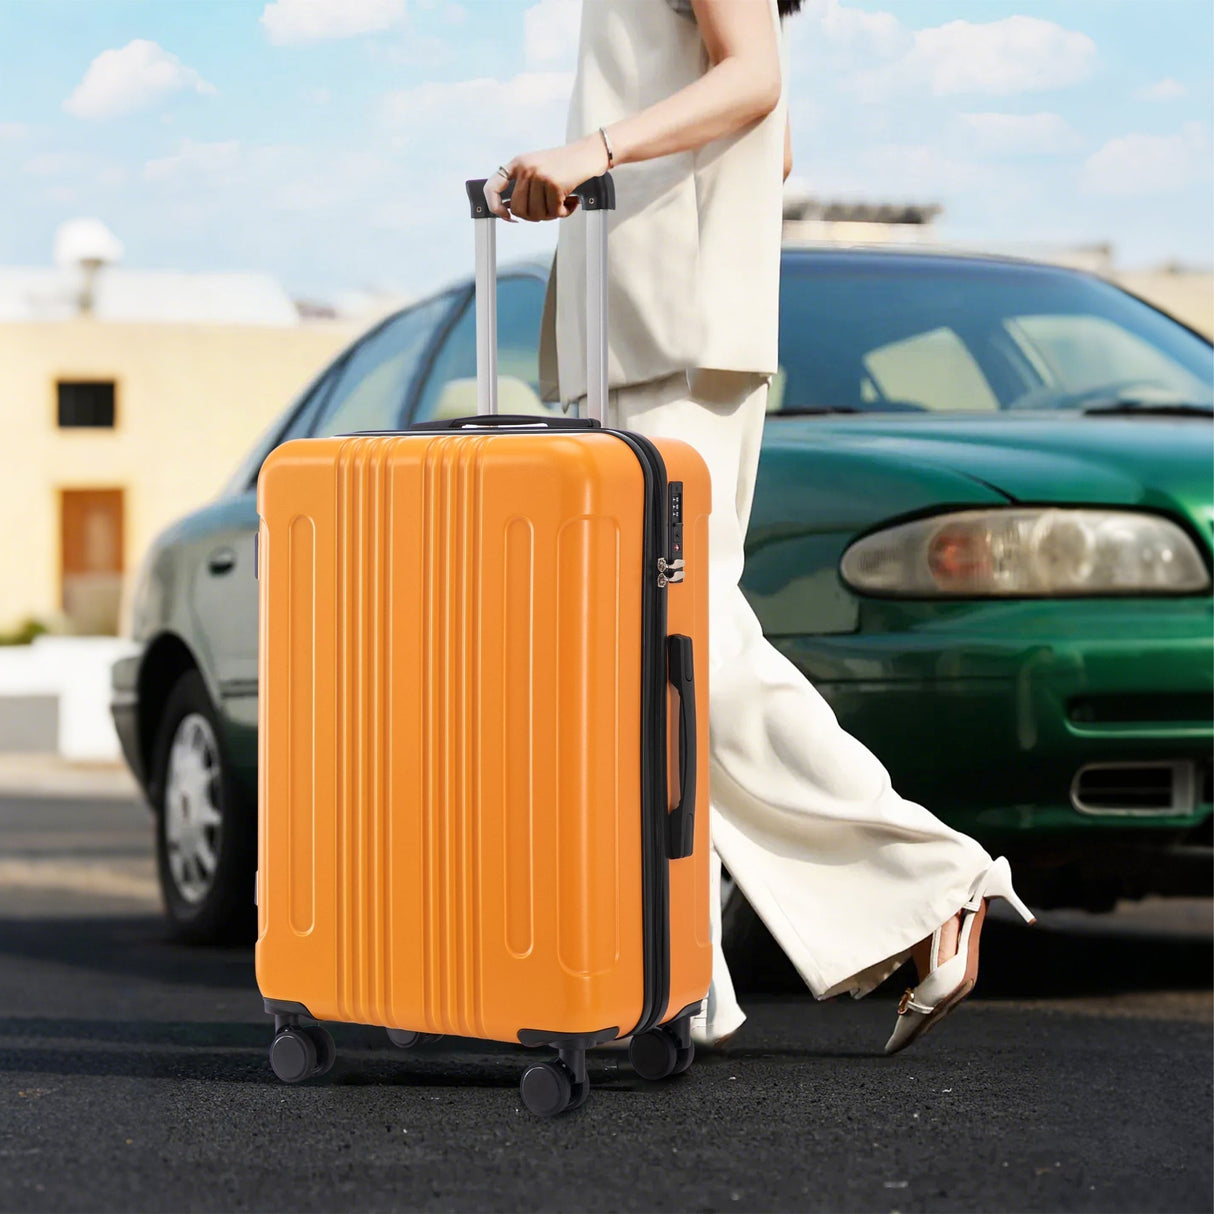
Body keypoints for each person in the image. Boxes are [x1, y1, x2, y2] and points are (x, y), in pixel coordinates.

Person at [484, 0, 1035, 1055]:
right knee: (654, 656)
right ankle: (680, 976)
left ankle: (932, 881)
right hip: (645, 314)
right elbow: (769, 144)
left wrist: (595, 151)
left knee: (686, 642)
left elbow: (753, 79)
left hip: (664, 322)